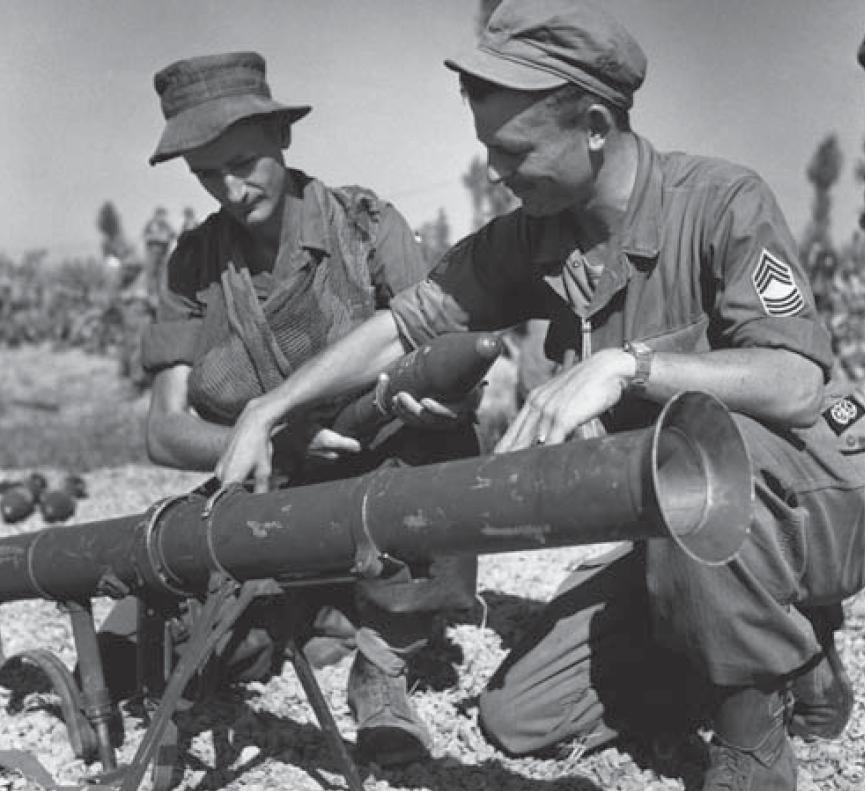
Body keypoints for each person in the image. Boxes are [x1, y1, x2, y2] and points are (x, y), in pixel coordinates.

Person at [214, 4, 865, 789]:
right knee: (519, 719)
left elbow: (798, 383)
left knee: (698, 443)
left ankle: (751, 738)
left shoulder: (722, 202)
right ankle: (790, 651)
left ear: (594, 124)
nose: (493, 171)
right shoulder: (534, 232)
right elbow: (402, 326)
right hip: (672, 521)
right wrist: (269, 408)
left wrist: (627, 366)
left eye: (511, 150)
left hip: (804, 499)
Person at [97, 51, 480, 768]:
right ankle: (321, 610)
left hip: (385, 479)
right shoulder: (192, 264)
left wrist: (418, 399)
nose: (233, 190)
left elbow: (442, 348)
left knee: (443, 456)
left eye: (245, 162)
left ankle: (382, 665)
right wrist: (275, 439)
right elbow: (166, 428)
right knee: (148, 660)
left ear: (283, 138)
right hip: (270, 496)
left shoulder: (366, 229)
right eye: (209, 175)